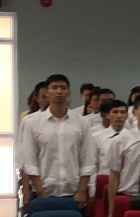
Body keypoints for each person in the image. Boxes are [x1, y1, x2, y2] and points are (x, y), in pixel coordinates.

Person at [17, 73, 96, 208]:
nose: (59, 91)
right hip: (42, 192)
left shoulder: (82, 122)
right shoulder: (32, 123)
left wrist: (82, 190)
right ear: (47, 94)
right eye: (54, 88)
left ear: (69, 93)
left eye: (63, 88)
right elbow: (29, 160)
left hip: (74, 192)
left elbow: (88, 158)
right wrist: (40, 191)